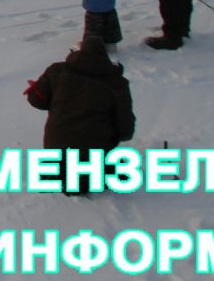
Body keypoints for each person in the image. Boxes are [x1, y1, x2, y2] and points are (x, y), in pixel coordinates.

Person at [24, 37, 135, 195]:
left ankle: (60, 175)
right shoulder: (117, 84)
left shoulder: (57, 71)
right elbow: (126, 131)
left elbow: (35, 100)